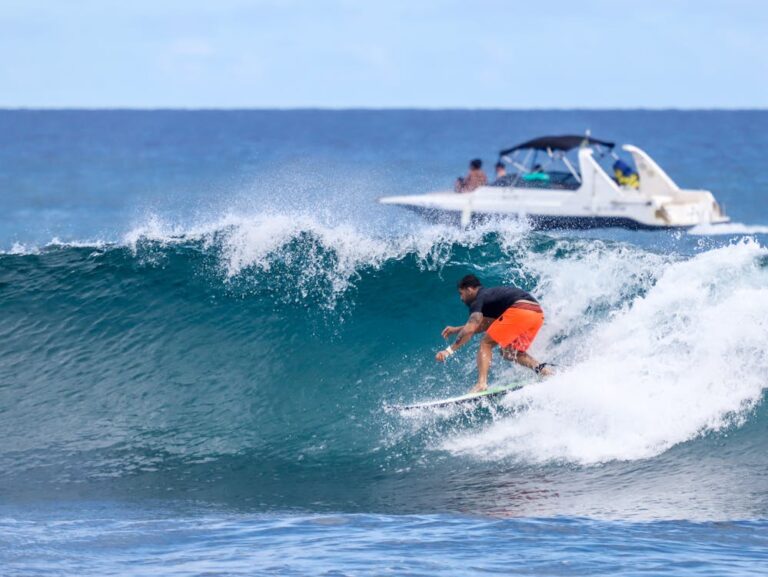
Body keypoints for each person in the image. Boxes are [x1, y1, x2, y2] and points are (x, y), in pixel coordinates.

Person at [435, 274, 553, 392]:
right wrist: (457, 330)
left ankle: (481, 383)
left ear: (469, 290)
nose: (461, 298)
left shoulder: (477, 300)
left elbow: (471, 328)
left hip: (520, 310)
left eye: (461, 293)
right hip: (536, 314)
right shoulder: (491, 297)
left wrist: (448, 351)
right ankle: (544, 371)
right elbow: (484, 325)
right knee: (509, 351)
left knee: (486, 344)